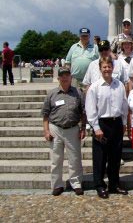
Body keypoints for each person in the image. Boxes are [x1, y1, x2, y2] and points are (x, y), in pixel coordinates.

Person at [85, 56, 128, 199]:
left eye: (109, 66)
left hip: (116, 123)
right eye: (104, 67)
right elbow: (90, 109)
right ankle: (99, 185)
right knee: (100, 157)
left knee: (115, 156)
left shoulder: (120, 85)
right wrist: (96, 127)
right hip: (102, 124)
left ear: (113, 67)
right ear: (100, 68)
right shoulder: (95, 87)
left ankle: (114, 184)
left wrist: (123, 123)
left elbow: (124, 105)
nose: (107, 69)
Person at [41, 67, 86, 196]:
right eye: (62, 75)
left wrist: (83, 128)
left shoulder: (78, 92)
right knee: (56, 159)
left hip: (72, 128)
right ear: (58, 78)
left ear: (71, 77)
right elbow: (45, 114)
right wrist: (46, 131)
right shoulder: (52, 94)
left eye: (67, 75)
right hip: (55, 129)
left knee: (75, 159)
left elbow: (83, 112)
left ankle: (76, 183)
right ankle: (57, 185)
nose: (64, 78)